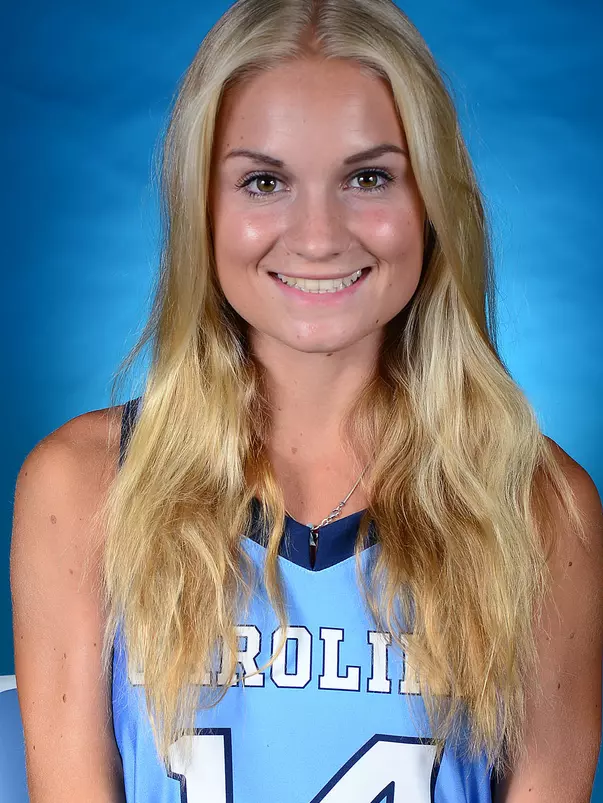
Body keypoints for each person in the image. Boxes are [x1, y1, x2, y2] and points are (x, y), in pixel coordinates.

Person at [10, 0, 603, 800]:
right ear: (201, 209)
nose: (318, 236)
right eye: (264, 181)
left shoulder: (540, 509)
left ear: (429, 201)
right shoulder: (81, 486)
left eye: (368, 176)